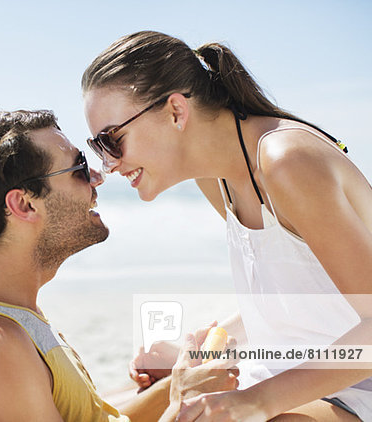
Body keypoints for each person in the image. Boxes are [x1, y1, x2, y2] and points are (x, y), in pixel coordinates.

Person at [82, 30, 372, 421]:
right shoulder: (215, 175)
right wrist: (194, 354)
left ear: (175, 111)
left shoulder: (286, 162)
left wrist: (256, 402)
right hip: (287, 372)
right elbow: (286, 300)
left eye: (112, 140)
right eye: (97, 147)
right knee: (113, 404)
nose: (109, 164)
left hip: (354, 387)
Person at [0, 110, 238, 421]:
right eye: (80, 168)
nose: (99, 177)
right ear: (25, 204)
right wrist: (185, 398)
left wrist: (177, 382)